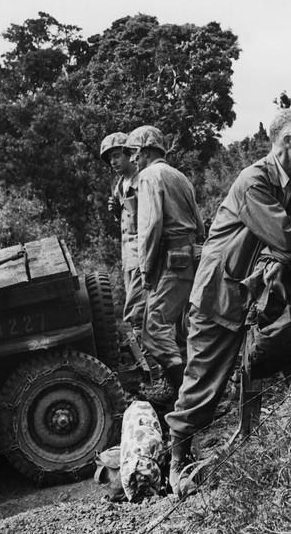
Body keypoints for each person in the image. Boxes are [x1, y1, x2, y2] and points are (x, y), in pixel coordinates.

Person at [164, 109, 291, 492]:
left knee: (270, 353)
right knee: (204, 381)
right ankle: (176, 461)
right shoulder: (254, 181)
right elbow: (287, 233)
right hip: (219, 295)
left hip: (254, 291)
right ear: (288, 141)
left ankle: (261, 433)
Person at [126, 125, 205, 405]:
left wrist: (146, 270)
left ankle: (188, 402)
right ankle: (194, 394)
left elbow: (150, 225)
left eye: (134, 153)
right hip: (190, 255)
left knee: (154, 330)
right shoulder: (180, 176)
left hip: (171, 260)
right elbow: (200, 223)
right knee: (182, 331)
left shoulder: (148, 176)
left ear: (146, 152)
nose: (132, 160)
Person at [102, 132, 147, 363]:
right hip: (128, 255)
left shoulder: (143, 180)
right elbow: (125, 223)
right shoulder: (120, 185)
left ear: (130, 154)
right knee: (134, 306)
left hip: (142, 253)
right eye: (110, 158)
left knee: (138, 309)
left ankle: (149, 361)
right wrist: (115, 211)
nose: (114, 162)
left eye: (117, 155)